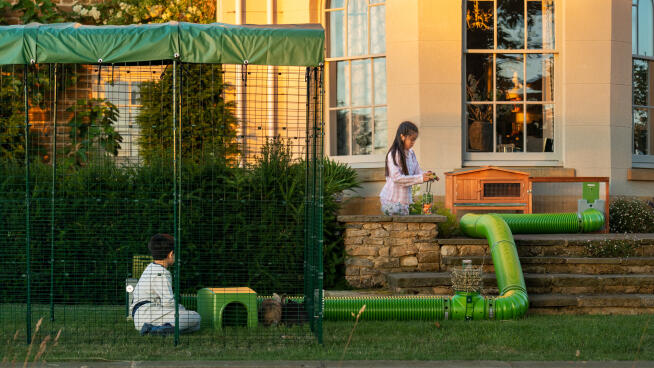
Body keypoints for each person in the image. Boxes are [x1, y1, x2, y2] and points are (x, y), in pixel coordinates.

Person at [130, 233, 201, 335]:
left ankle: (161, 329)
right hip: (147, 313)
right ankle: (155, 329)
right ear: (171, 254)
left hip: (143, 314)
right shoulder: (162, 273)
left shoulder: (151, 267)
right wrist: (182, 308)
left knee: (195, 325)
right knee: (195, 317)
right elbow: (168, 303)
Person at [379, 121, 439, 216]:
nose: (413, 143)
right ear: (402, 137)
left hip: (404, 201)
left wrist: (428, 175)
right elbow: (397, 178)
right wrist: (421, 178)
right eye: (411, 139)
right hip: (391, 201)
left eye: (414, 140)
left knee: (404, 229)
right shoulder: (394, 154)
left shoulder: (411, 153)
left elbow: (417, 172)